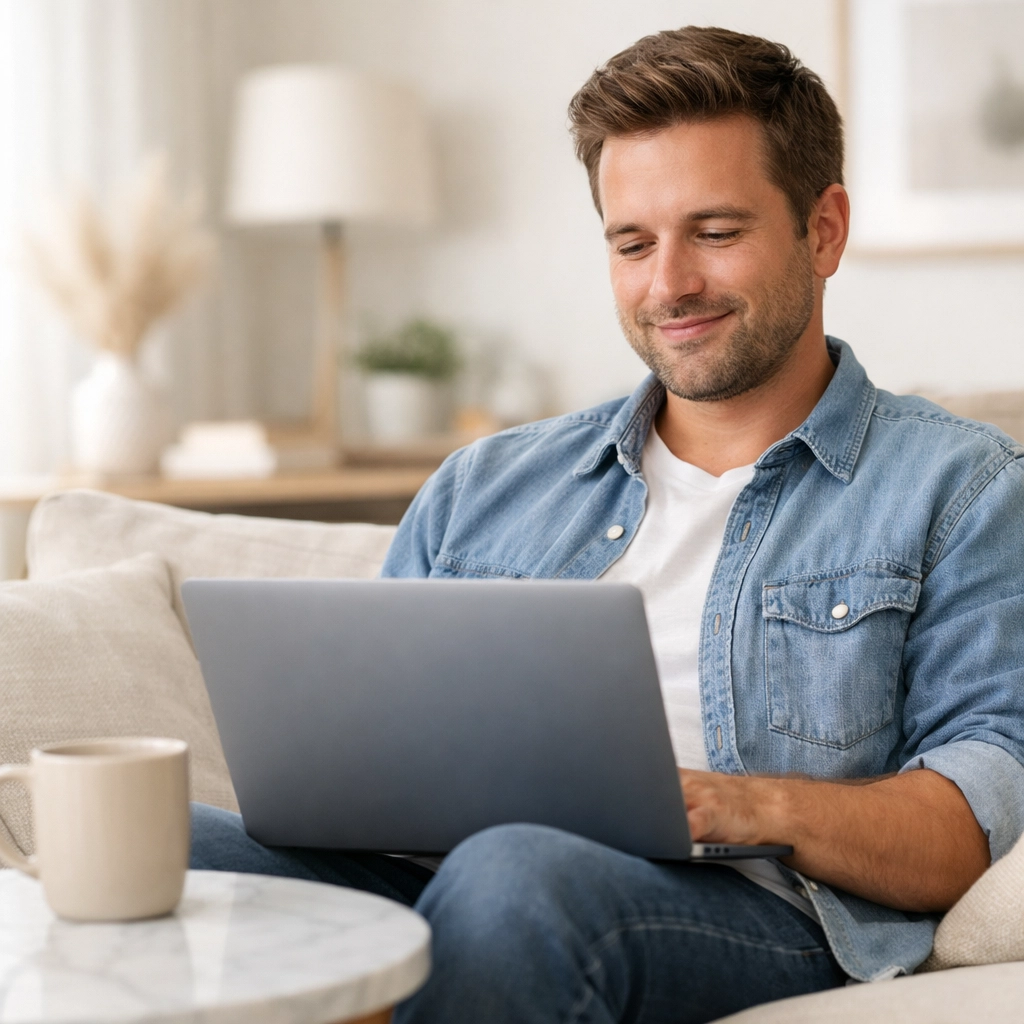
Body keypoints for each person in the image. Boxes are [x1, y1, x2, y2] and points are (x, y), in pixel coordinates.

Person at [191, 26, 1024, 1023]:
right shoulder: (484, 484)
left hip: (753, 909)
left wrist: (736, 803)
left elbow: (974, 823)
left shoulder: (961, 486)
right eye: (632, 244)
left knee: (514, 876)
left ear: (823, 230)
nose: (667, 285)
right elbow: (370, 753)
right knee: (170, 848)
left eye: (714, 232)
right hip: (445, 875)